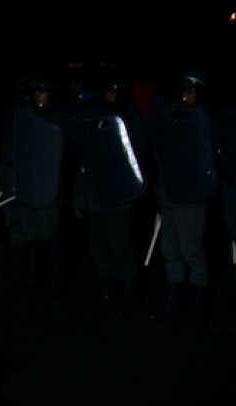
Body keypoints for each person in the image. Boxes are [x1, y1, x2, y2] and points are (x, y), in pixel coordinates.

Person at [70, 74, 150, 316]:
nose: (110, 96)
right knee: (99, 247)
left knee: (121, 248)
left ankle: (128, 294)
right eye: (107, 92)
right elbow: (84, 161)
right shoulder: (93, 118)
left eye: (115, 92)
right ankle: (108, 291)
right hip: (95, 194)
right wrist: (79, 193)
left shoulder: (131, 122)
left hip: (120, 196)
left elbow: (137, 160)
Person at [149, 69, 218, 325]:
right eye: (186, 91)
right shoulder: (168, 118)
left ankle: (198, 307)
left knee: (192, 252)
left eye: (194, 92)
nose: (189, 96)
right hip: (169, 195)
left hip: (192, 197)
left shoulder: (204, 121)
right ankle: (173, 303)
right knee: (170, 251)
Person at [0, 75, 69, 295]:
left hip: (47, 188)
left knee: (48, 234)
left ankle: (53, 280)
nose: (39, 95)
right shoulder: (24, 118)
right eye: (36, 91)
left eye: (43, 91)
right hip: (26, 187)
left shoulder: (57, 119)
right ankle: (32, 277)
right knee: (29, 234)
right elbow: (12, 150)